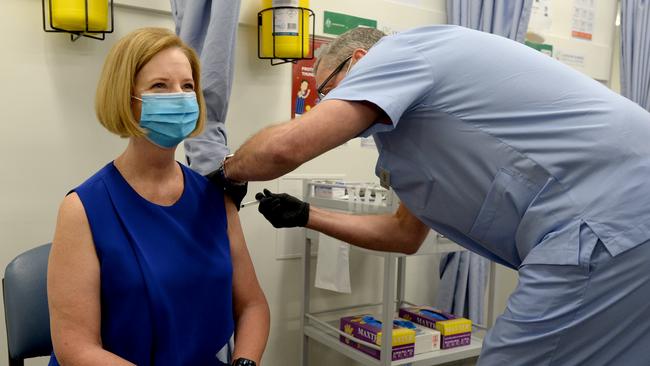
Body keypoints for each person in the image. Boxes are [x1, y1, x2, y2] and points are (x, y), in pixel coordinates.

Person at [213, 26, 650, 365]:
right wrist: (308, 214)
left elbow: (285, 148)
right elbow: (404, 235)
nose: (327, 103)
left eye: (327, 91)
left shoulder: (402, 52)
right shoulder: (409, 135)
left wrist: (225, 170)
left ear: (361, 60)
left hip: (606, 219)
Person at [47, 27, 269, 366]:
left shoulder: (215, 200)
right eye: (159, 86)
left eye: (188, 86)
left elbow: (252, 305)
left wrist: (245, 362)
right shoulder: (83, 209)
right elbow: (75, 348)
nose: (179, 97)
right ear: (126, 97)